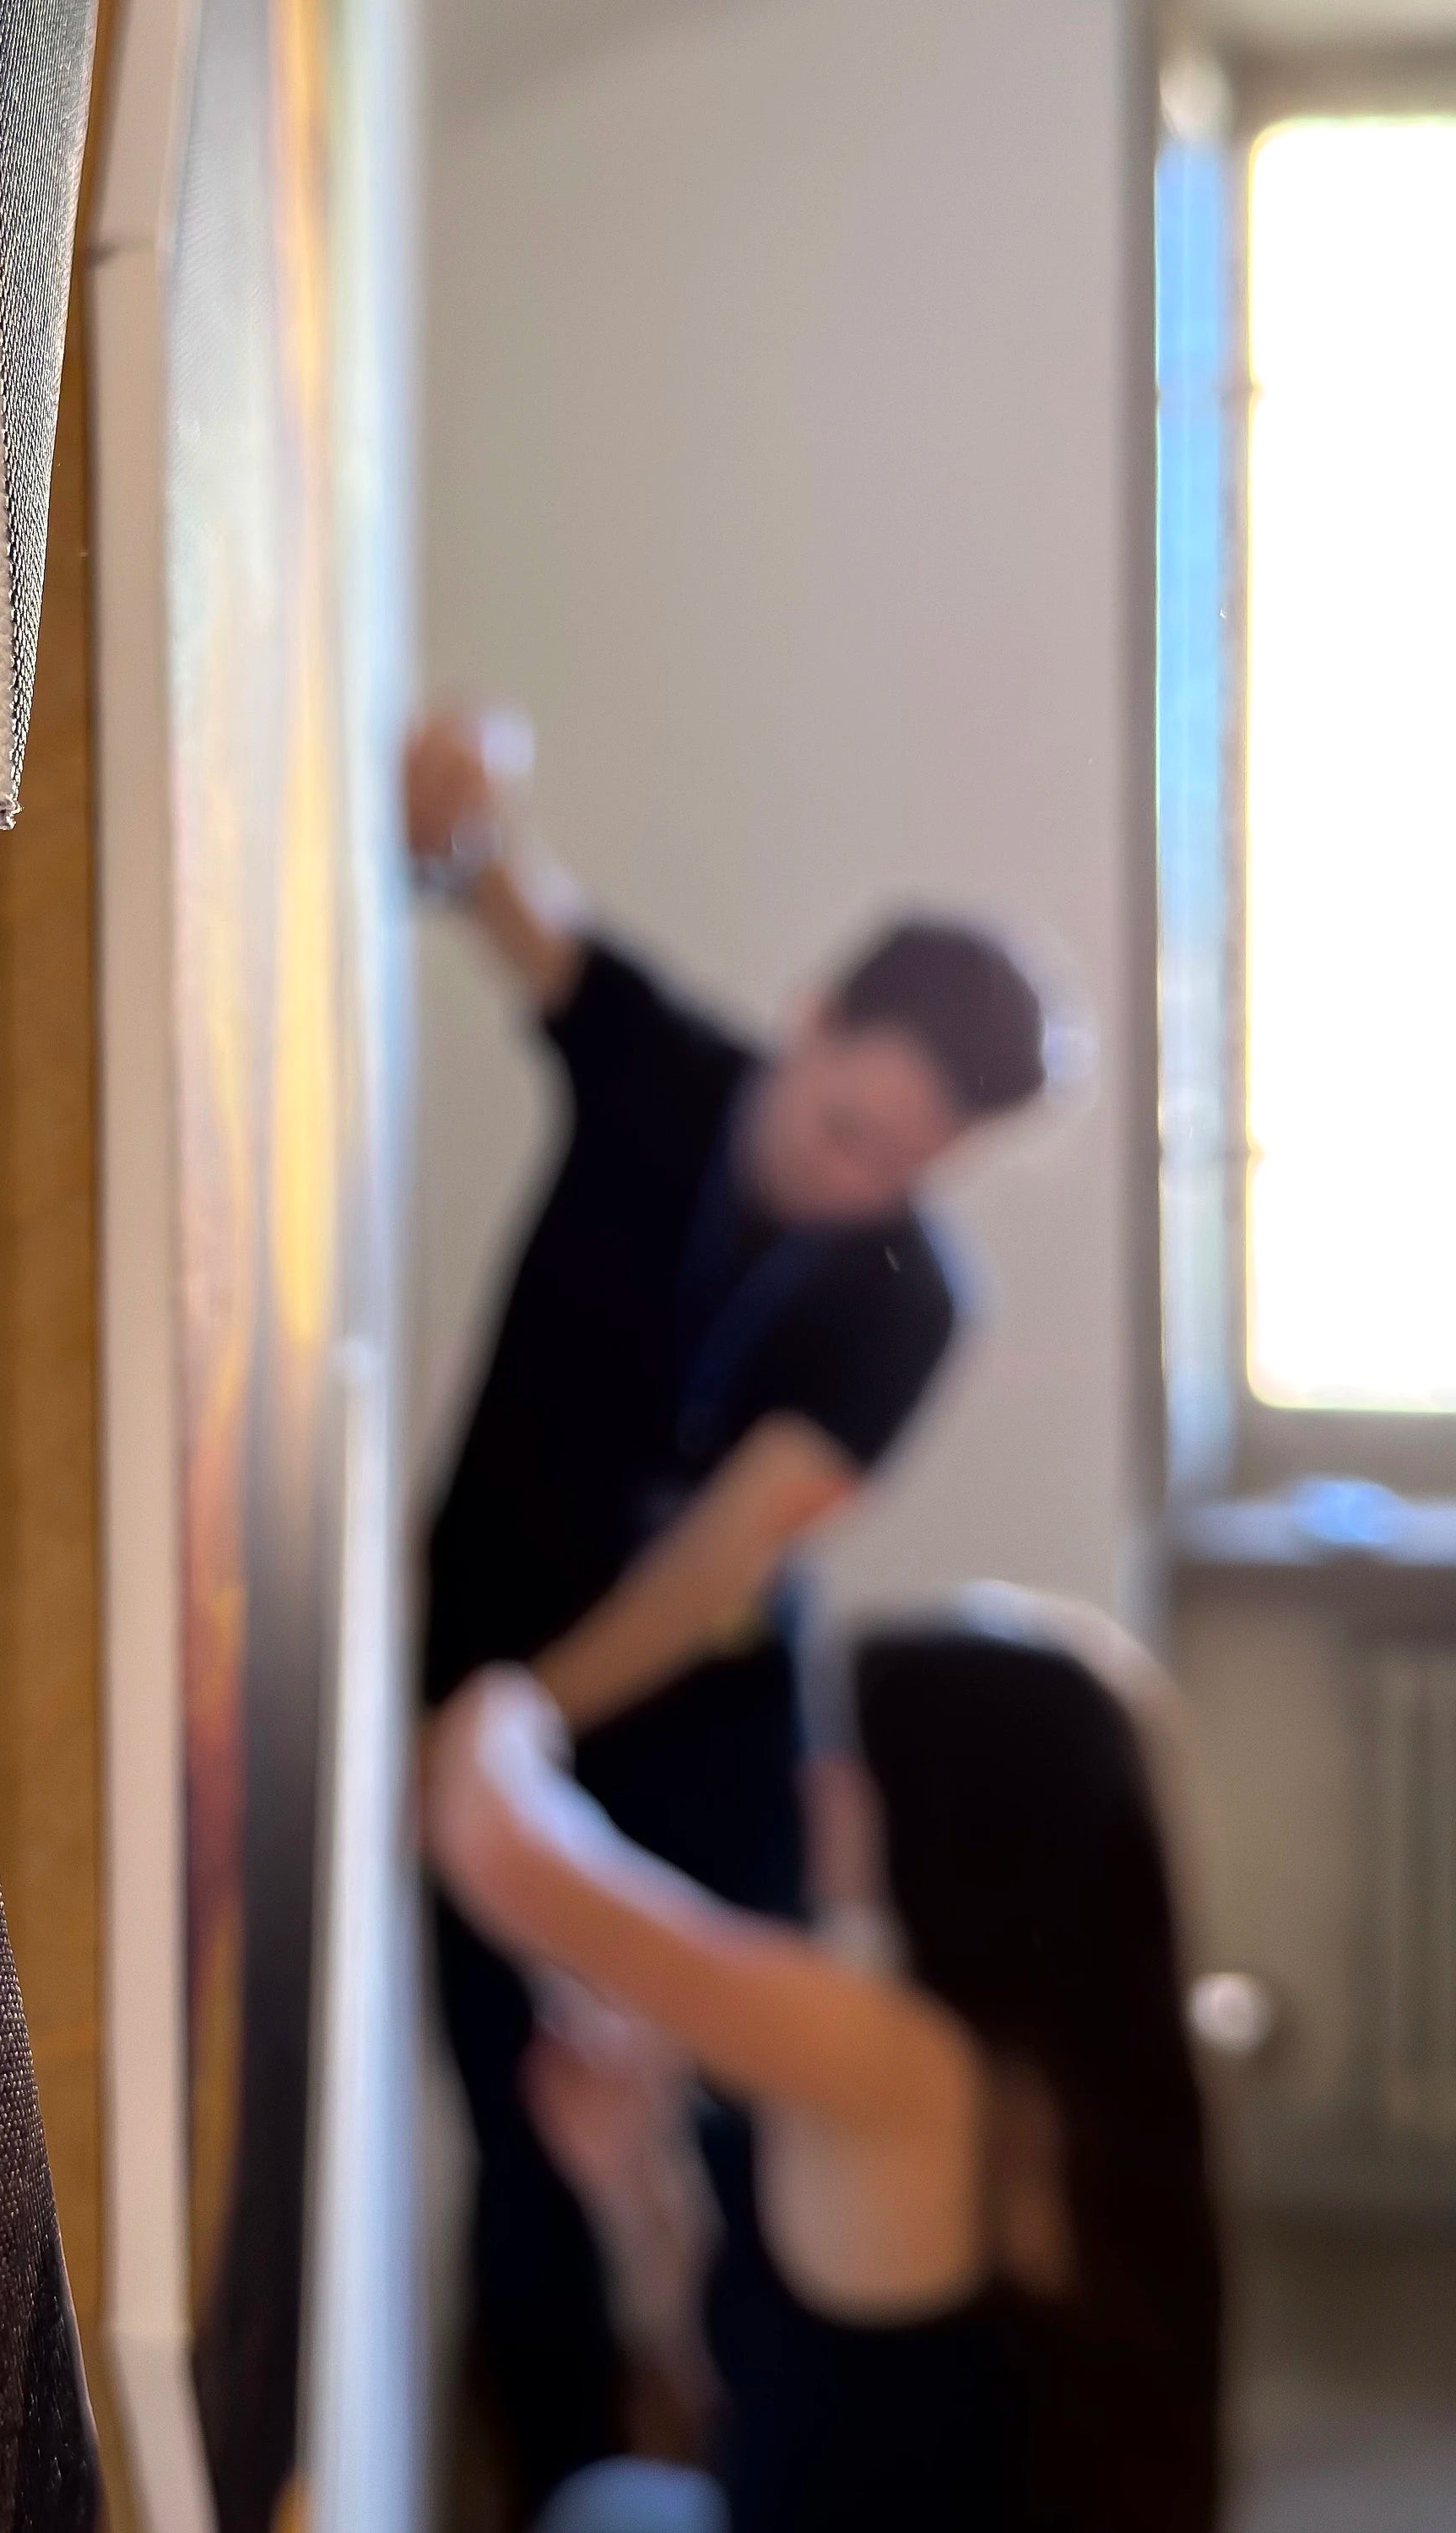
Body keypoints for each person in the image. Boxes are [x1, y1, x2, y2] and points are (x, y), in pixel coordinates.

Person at [404, 705, 1057, 2515]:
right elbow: (505, 890)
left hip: (692, 1736)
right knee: (529, 2141)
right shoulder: (663, 1068)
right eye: (848, 1127)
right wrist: (462, 790)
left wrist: (514, 1731)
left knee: (751, 2168)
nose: (862, 1184)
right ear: (813, 1020)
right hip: (481, 1659)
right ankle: (564, 2474)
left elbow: (716, 1572)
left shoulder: (916, 1302)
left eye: (907, 1167)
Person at [423, 1598, 1226, 2533]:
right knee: (608, 2505)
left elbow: (500, 1850)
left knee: (604, 2509)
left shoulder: (898, 2055)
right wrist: (635, 2188)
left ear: (949, 1811)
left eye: (853, 1758)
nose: (815, 1780)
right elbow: (781, 2395)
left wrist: (518, 1696)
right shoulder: (1044, 2054)